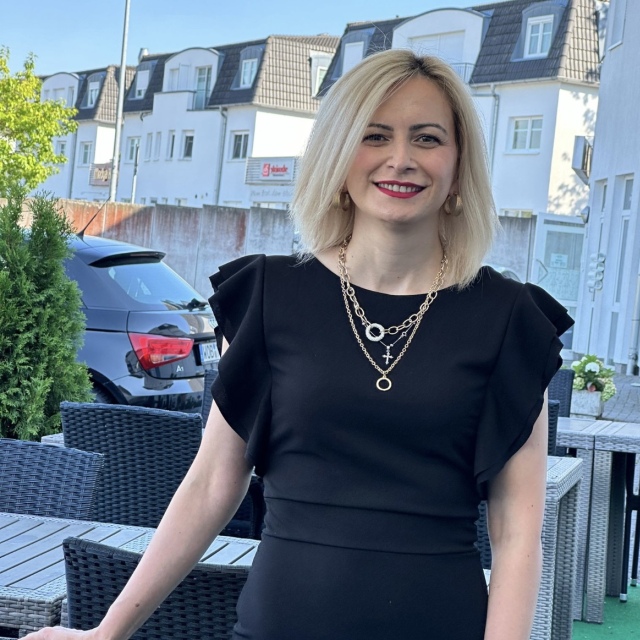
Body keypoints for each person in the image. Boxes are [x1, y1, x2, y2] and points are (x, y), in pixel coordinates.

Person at [25, 49, 573, 640]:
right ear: (338, 155)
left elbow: (518, 533)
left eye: (427, 138)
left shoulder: (509, 319)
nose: (401, 158)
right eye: (375, 135)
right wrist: (105, 634)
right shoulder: (270, 295)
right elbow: (212, 484)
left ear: (459, 165)